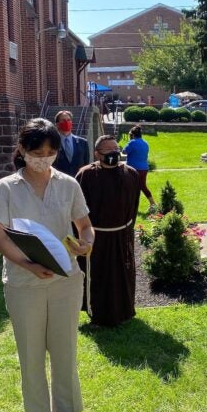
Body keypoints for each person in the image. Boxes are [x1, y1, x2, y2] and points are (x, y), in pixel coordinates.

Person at [0, 118, 95, 412]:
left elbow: (85, 226)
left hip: (66, 280)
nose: (44, 157)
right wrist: (28, 264)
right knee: (31, 353)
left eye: (51, 152)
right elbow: (0, 236)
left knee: (65, 348)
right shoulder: (6, 188)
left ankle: (66, 411)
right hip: (23, 282)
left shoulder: (68, 184)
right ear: (22, 150)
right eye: (37, 151)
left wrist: (87, 244)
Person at [75, 135, 140, 327]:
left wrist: (127, 230)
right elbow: (76, 208)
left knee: (122, 274)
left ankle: (124, 311)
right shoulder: (86, 175)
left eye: (116, 148)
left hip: (121, 236)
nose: (113, 152)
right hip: (96, 237)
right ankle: (97, 315)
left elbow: (134, 206)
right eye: (107, 149)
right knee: (98, 277)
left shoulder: (131, 174)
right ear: (97, 153)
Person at [123, 125, 157, 209]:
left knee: (130, 186)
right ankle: (152, 203)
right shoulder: (145, 143)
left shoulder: (132, 143)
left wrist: (129, 142)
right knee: (142, 186)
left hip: (133, 168)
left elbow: (124, 152)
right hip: (144, 168)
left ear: (132, 135)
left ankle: (130, 205)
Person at [52, 110, 90, 176]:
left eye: (69, 120)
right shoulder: (52, 143)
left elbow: (86, 164)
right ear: (57, 124)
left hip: (79, 181)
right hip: (59, 181)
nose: (66, 122)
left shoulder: (83, 143)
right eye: (63, 120)